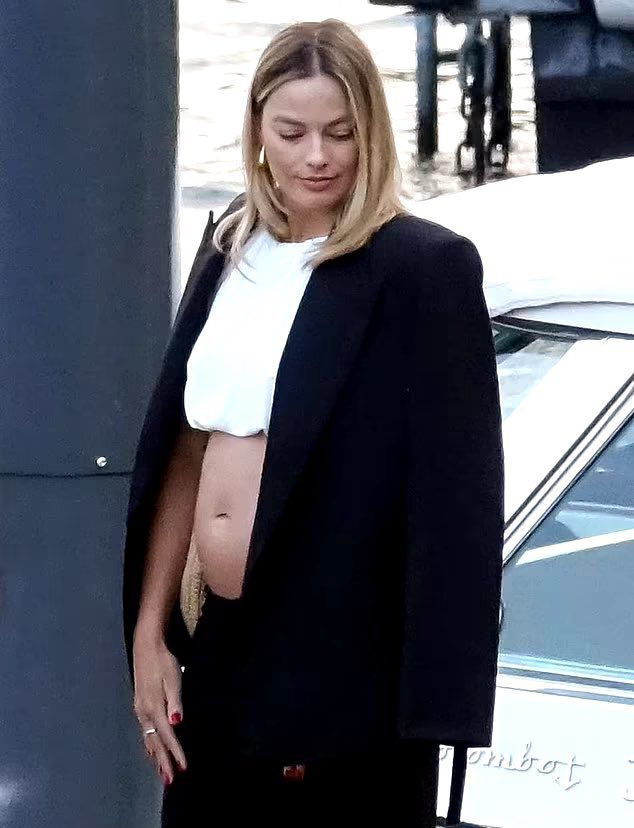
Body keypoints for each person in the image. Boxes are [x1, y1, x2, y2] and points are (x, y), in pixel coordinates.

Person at [122, 18, 504, 828]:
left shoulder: (422, 267)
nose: (317, 156)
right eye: (291, 133)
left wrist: (434, 715)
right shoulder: (232, 239)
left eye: (340, 132)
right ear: (257, 129)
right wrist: (150, 635)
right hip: (218, 651)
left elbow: (459, 503)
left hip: (340, 683)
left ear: (372, 132)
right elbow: (186, 450)